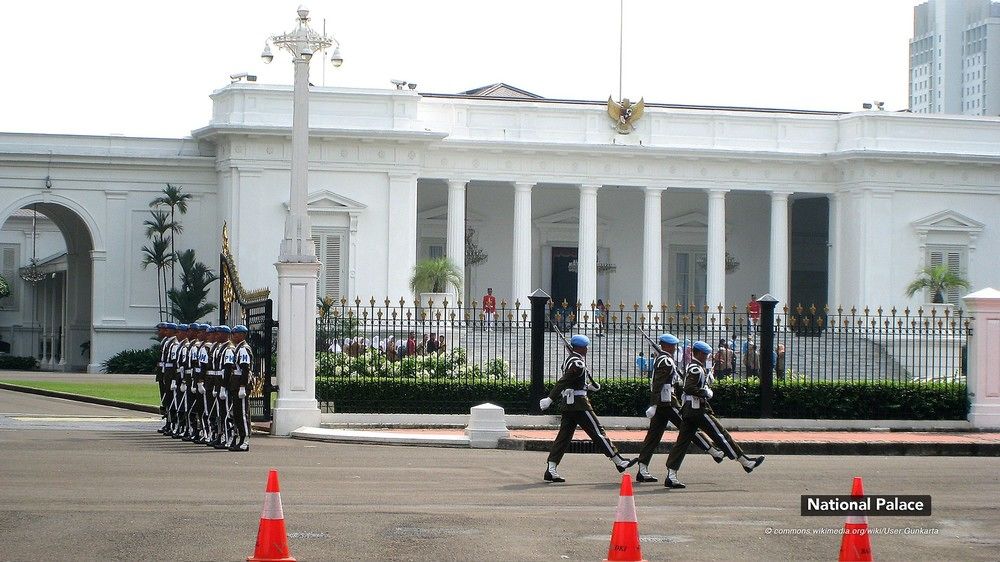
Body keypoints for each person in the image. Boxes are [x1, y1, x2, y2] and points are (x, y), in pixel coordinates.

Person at [662, 341, 765, 488]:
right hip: (698, 410)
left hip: (689, 410)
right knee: (721, 435)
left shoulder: (694, 367)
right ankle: (745, 461)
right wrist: (704, 392)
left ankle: (671, 475)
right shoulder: (695, 368)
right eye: (705, 354)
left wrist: (706, 383)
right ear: (698, 353)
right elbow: (689, 388)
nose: (706, 356)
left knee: (682, 443)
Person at [539, 334, 636, 482]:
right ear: (580, 348)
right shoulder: (577, 363)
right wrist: (550, 398)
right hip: (580, 404)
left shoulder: (571, 361)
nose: (587, 349)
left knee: (563, 438)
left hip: (569, 405)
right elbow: (563, 381)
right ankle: (618, 461)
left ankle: (551, 469)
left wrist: (589, 387)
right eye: (585, 347)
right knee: (598, 432)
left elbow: (574, 382)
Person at [634, 334, 726, 483]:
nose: (675, 348)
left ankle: (642, 469)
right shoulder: (666, 360)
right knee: (688, 427)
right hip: (668, 402)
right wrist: (653, 404)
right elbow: (658, 384)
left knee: (653, 436)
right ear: (667, 346)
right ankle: (712, 450)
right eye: (673, 345)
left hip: (663, 402)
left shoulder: (663, 359)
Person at [227, 325, 253, 452]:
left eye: (235, 334)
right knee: (237, 413)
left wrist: (243, 386)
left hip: (240, 385)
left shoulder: (243, 349)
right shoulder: (238, 348)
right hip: (236, 384)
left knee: (242, 414)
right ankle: (241, 438)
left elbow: (245, 369)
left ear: (242, 335)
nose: (232, 336)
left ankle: (245, 440)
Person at [155, 323, 177, 434]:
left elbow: (174, 363)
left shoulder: (174, 343)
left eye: (164, 330)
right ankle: (168, 422)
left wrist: (173, 379)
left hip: (169, 375)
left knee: (170, 400)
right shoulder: (165, 342)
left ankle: (171, 423)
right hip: (164, 374)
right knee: (165, 400)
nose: (160, 332)